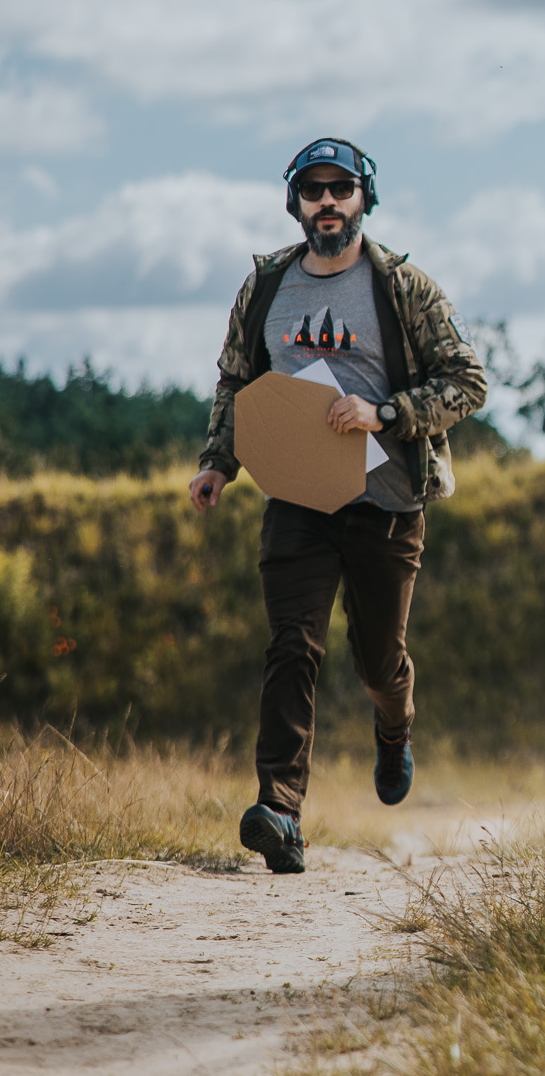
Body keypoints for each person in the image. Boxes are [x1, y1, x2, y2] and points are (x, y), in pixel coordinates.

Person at [187, 138, 487, 874]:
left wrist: (382, 412)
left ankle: (395, 724)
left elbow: (468, 384)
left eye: (341, 188)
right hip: (295, 496)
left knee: (378, 659)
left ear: (363, 198)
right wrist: (218, 462)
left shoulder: (404, 287)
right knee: (293, 643)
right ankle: (281, 812)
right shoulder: (265, 288)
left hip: (386, 501)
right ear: (296, 203)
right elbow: (235, 381)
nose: (328, 201)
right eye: (314, 189)